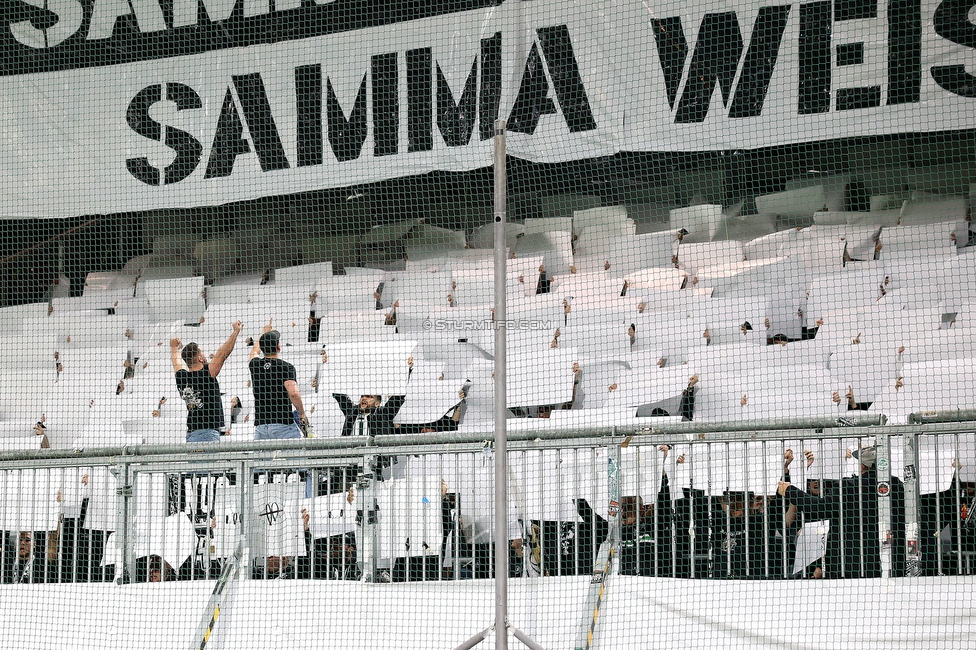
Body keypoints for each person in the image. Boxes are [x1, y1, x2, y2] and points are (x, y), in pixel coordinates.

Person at [777, 445, 906, 578]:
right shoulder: (896, 486)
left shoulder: (848, 487)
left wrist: (790, 491)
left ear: (862, 466)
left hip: (850, 566)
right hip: (892, 564)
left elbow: (821, 508)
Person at [171, 321, 242, 443]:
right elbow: (223, 354)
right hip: (207, 434)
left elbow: (176, 361)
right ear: (199, 358)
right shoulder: (207, 373)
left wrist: (173, 348)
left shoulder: (181, 378)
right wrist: (236, 331)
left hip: (191, 433)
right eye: (202, 352)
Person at [249, 321, 308, 440]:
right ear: (279, 347)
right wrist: (301, 413)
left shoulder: (255, 365)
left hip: (261, 426)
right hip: (282, 424)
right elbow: (294, 393)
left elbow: (254, 352)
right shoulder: (286, 367)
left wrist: (263, 333)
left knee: (262, 458)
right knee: (296, 457)